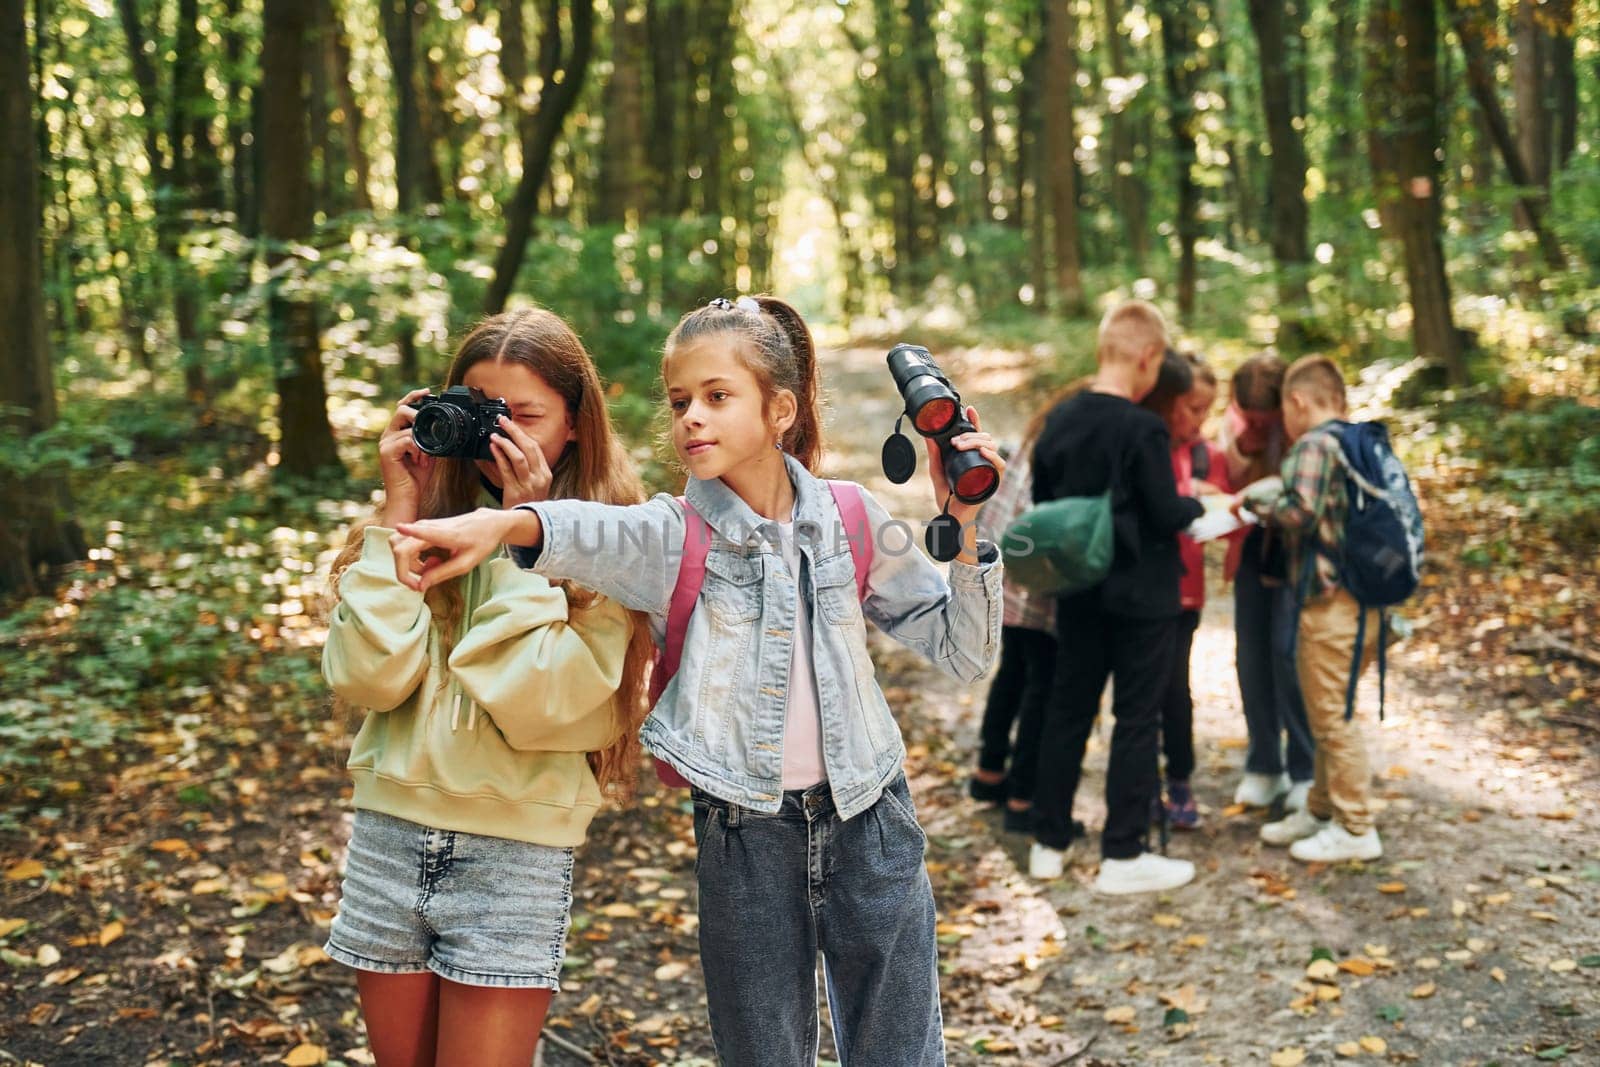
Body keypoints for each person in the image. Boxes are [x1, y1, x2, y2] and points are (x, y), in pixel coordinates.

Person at [385, 295, 1006, 1066]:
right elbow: (585, 531)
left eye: (718, 397)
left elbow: (965, 651)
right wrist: (504, 523)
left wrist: (970, 526)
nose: (691, 419)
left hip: (872, 820)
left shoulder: (852, 515)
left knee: (901, 1053)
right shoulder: (673, 532)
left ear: (780, 409)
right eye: (680, 401)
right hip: (746, 838)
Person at [321, 310, 655, 1067]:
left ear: (574, 424)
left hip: (514, 854)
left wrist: (518, 535)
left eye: (524, 416)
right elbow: (369, 679)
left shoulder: (610, 541)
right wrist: (401, 511)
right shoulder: (420, 521)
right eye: (479, 409)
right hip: (388, 837)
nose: (497, 435)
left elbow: (542, 704)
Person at [1027, 301, 1204, 894]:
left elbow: (1044, 500)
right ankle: (1122, 854)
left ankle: (1047, 842)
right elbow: (1164, 511)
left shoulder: (1061, 418)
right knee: (1136, 718)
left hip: (1077, 588)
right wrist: (1200, 506)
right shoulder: (1142, 427)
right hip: (1142, 595)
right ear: (1148, 357)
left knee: (1068, 710)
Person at [1247, 356, 1385, 863]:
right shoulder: (1362, 443)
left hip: (1330, 601)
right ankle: (1321, 808)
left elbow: (1300, 512)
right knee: (1330, 707)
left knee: (1331, 717)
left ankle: (1356, 826)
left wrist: (1259, 504)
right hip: (1371, 600)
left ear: (1297, 401)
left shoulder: (1314, 445)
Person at [1220, 354, 1315, 812]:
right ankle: (1264, 763)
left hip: (1297, 551)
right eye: (1248, 419)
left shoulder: (1306, 435)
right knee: (1251, 655)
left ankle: (1306, 767)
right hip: (1252, 548)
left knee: (1287, 652)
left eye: (1265, 422)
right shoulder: (1231, 424)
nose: (1255, 429)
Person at [1146, 353, 1229, 831]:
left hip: (1184, 592)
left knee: (1176, 689)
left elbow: (1224, 513)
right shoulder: (1147, 443)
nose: (1196, 420)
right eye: (1190, 408)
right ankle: (1144, 782)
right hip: (1142, 590)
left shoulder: (1205, 454)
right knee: (1143, 691)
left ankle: (1180, 779)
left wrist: (1211, 502)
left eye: (1205, 410)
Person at [969, 417, 1057, 834]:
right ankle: (1024, 796)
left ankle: (989, 772)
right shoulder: (1061, 447)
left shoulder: (1031, 436)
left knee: (1014, 671)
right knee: (1042, 683)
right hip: (1036, 584)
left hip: (1006, 571)